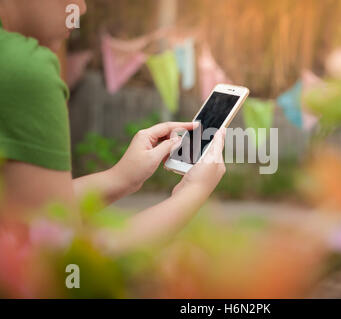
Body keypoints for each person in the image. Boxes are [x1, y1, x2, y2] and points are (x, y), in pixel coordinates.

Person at [0, 0, 226, 252]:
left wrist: (121, 178)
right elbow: (61, 263)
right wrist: (192, 193)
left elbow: (35, 209)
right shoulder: (22, 69)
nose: (80, 9)